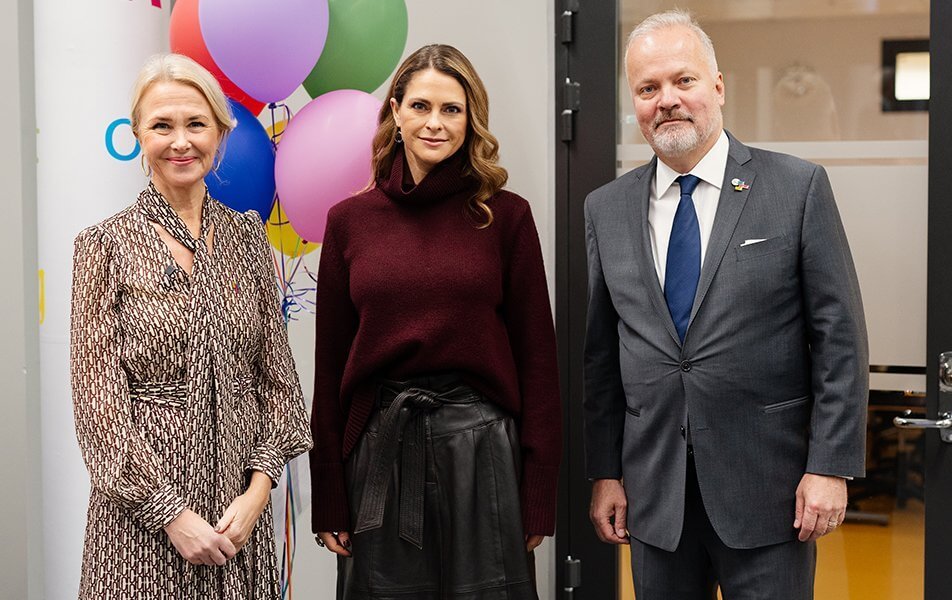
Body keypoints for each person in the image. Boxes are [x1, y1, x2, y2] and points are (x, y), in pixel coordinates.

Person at [582, 10, 868, 599]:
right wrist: (606, 472)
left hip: (771, 494)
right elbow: (601, 358)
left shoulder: (796, 187)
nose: (667, 100)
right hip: (654, 498)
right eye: (647, 88)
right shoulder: (605, 210)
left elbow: (840, 339)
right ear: (633, 102)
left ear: (717, 87)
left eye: (683, 80)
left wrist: (831, 465)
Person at [309, 44, 561, 599]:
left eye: (452, 109)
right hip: (379, 450)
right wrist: (328, 489)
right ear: (395, 111)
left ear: (471, 120)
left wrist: (538, 489)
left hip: (484, 455)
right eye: (421, 106)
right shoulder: (349, 222)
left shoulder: (506, 216)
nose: (435, 123)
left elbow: (538, 360)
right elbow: (329, 366)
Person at [70, 53, 312, 599]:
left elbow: (279, 386)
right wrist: (173, 517)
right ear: (138, 135)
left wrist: (257, 494)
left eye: (196, 124)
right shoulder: (103, 248)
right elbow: (98, 415)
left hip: (237, 529)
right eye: (162, 125)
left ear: (221, 134)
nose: (181, 141)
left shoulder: (248, 240)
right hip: (140, 535)